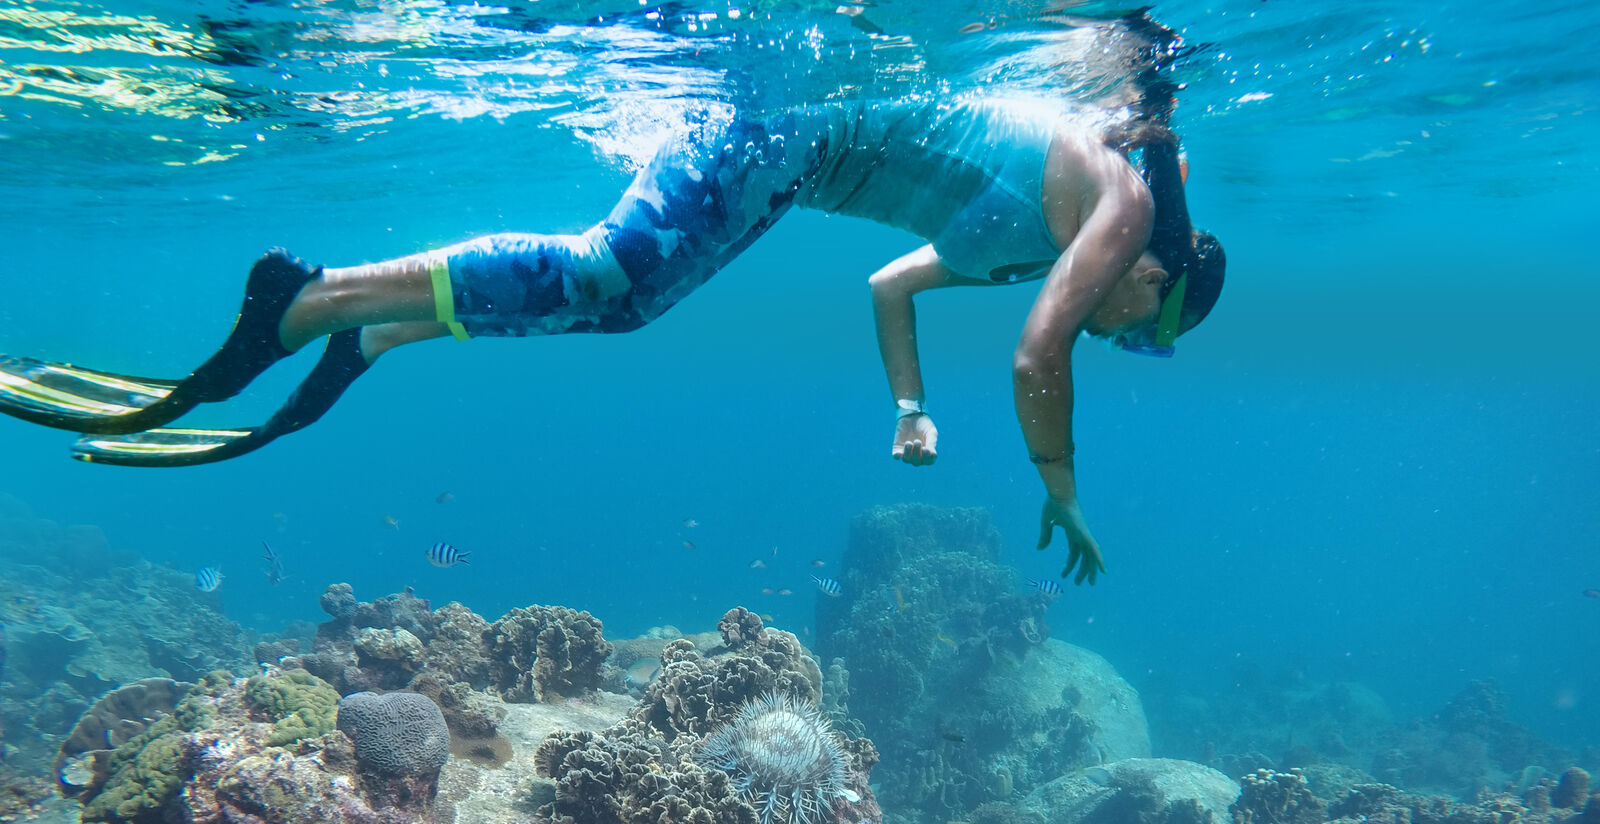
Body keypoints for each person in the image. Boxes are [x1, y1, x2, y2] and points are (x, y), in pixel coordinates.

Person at [0, 18, 1222, 585]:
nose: (1129, 340)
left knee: (627, 302)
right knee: (607, 272)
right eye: (1148, 336)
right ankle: (307, 301)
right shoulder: (1114, 202)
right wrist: (1059, 491)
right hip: (789, 119)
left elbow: (892, 281)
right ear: (1158, 278)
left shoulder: (1027, 247)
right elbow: (1034, 361)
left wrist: (907, 407)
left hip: (791, 164)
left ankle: (372, 329)